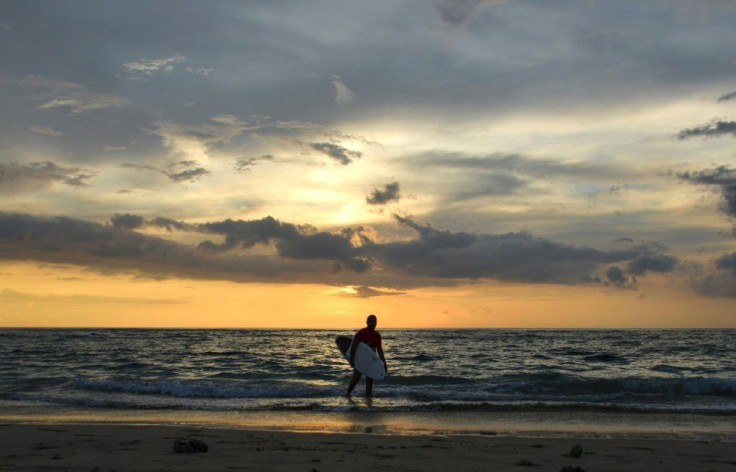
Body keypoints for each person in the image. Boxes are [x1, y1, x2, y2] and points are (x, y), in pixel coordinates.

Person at [346, 314, 387, 397]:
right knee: (355, 379)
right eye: (371, 321)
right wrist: (352, 359)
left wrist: (384, 363)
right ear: (367, 322)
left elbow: (379, 350)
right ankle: (347, 394)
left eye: (375, 321)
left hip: (370, 361)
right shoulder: (361, 332)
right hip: (360, 360)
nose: (373, 323)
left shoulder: (377, 335)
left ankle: (368, 399)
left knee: (369, 380)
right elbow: (354, 346)